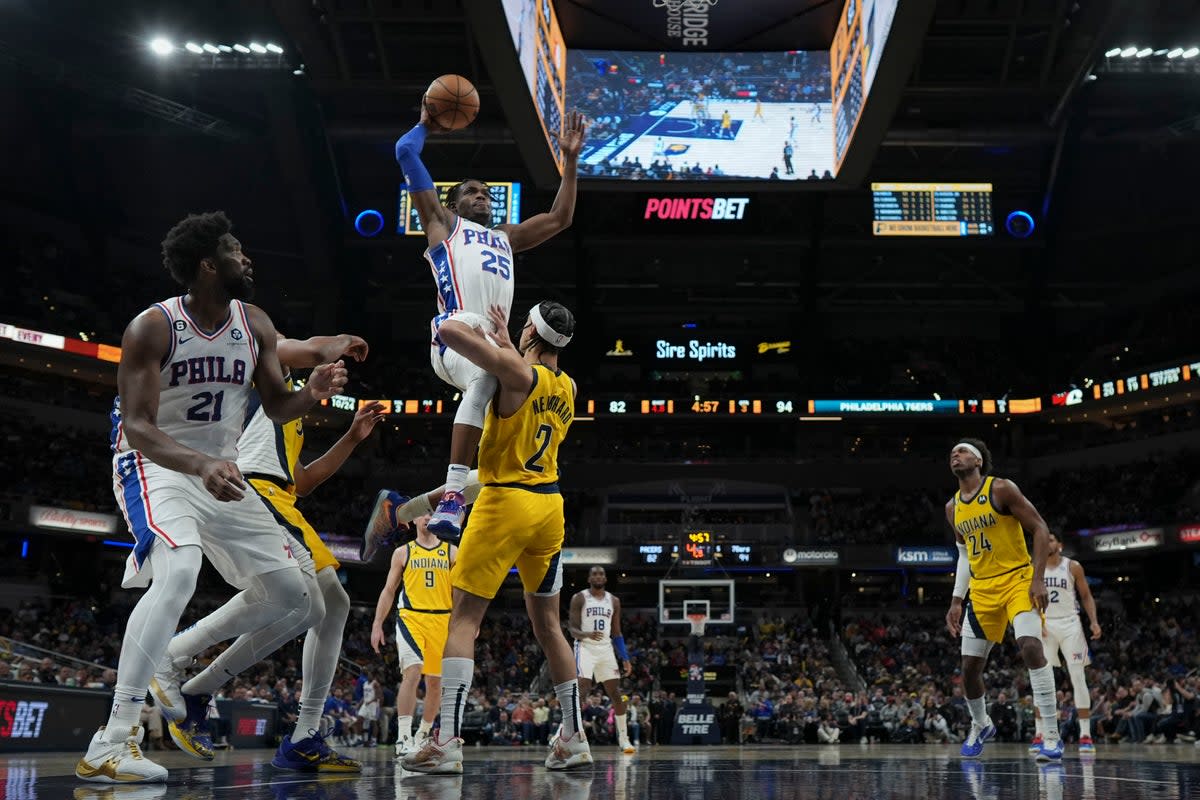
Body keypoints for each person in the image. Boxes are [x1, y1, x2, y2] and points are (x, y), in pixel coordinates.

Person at [77, 211, 346, 783]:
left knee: (295, 597)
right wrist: (199, 463)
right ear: (207, 264)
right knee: (178, 573)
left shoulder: (254, 324)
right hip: (156, 465)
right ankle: (113, 739)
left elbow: (277, 406)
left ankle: (172, 659)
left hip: (218, 472)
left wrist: (314, 394)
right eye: (235, 250)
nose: (246, 258)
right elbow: (141, 425)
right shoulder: (153, 327)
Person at [151, 331, 378, 772]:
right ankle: (180, 658)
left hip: (279, 497)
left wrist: (351, 438)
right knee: (316, 602)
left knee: (327, 604)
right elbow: (289, 344)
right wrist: (340, 342)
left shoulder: (286, 413)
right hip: (251, 489)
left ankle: (288, 729)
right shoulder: (254, 374)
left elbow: (302, 479)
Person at [400, 301, 591, 774]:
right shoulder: (568, 386)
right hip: (550, 508)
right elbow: (526, 380)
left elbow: (450, 332)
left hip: (505, 502)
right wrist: (511, 343)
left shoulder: (515, 374)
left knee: (462, 621)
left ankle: (445, 742)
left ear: (531, 329)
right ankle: (573, 737)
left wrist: (488, 335)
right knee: (549, 627)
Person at [392, 98, 587, 542]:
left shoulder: (506, 237)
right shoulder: (443, 225)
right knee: (485, 379)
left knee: (522, 420)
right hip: (455, 335)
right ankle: (454, 496)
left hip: (498, 341)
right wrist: (425, 124)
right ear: (454, 203)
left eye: (486, 192)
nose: (483, 196)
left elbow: (561, 217)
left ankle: (405, 510)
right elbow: (405, 152)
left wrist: (570, 161)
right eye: (473, 192)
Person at [944, 439, 1063, 762]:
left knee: (1030, 646)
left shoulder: (1001, 489)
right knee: (969, 669)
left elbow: (1039, 528)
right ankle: (981, 723)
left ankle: (1051, 734)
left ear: (979, 461)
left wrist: (1038, 578)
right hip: (981, 591)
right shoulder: (953, 508)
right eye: (953, 452)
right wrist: (957, 600)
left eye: (964, 450)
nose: (956, 454)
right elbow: (965, 557)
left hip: (1017, 580)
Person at [370, 513, 456, 756]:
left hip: (443, 619)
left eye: (432, 514)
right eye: (424, 514)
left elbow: (461, 590)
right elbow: (389, 590)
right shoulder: (403, 552)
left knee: (435, 683)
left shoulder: (452, 552)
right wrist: (377, 623)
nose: (428, 518)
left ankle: (423, 734)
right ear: (415, 520)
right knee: (413, 671)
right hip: (411, 617)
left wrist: (467, 620)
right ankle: (403, 736)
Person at [1030, 531, 1102, 755]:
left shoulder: (1073, 566)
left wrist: (1094, 622)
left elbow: (1087, 596)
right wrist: (1035, 621)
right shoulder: (1035, 567)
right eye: (1045, 540)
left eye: (1051, 539)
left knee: (1078, 677)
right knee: (1043, 679)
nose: (1047, 542)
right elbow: (1028, 596)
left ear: (1059, 545)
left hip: (1071, 624)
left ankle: (1085, 734)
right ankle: (1040, 732)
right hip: (1046, 625)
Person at [565, 566, 635, 753]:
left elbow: (617, 632)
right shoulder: (579, 598)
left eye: (601, 574)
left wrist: (625, 658)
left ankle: (624, 739)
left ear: (605, 578)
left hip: (605, 648)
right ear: (589, 578)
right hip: (585, 646)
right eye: (594, 574)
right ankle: (571, 734)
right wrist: (587, 634)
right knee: (583, 687)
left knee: (616, 693)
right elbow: (572, 629)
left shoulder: (614, 600)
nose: (598, 576)